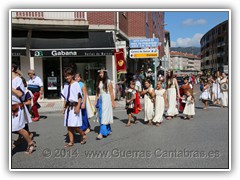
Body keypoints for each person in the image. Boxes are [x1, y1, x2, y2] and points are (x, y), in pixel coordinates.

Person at [12, 65, 36, 154]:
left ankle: (30, 143)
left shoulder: (18, 80)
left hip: (16, 108)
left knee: (18, 129)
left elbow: (20, 94)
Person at [61, 67, 86, 148]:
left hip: (75, 106)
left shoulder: (76, 85)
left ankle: (82, 134)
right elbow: (65, 98)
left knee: (75, 125)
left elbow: (79, 97)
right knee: (69, 125)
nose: (67, 77)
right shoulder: (65, 86)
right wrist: (64, 108)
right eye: (66, 76)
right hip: (68, 107)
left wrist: (78, 106)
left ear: (72, 75)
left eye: (68, 76)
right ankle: (71, 142)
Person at [94, 68, 115, 140]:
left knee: (104, 115)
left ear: (105, 73)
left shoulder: (109, 82)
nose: (101, 74)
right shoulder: (98, 82)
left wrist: (113, 102)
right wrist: (95, 100)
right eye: (100, 73)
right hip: (100, 99)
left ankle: (102, 133)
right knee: (102, 115)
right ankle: (108, 130)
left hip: (106, 99)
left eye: (102, 73)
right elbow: (97, 92)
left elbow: (111, 93)